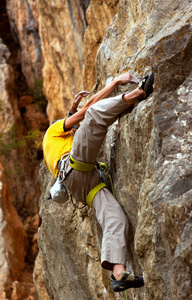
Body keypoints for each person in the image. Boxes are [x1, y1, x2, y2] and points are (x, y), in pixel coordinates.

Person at [42, 72, 154, 292]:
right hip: (75, 168)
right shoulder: (53, 130)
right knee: (93, 115)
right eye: (70, 126)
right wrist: (115, 82)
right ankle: (140, 92)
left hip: (81, 187)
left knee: (116, 219)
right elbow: (88, 113)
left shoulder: (58, 142)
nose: (75, 129)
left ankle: (119, 274)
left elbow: (82, 115)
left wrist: (74, 110)